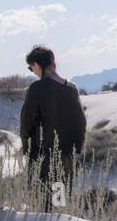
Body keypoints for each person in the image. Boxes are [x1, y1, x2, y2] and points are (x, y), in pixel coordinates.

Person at [19, 45, 86, 211]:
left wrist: (27, 151)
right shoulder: (72, 89)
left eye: (31, 67)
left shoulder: (36, 89)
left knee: (41, 207)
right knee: (59, 208)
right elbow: (81, 124)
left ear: (37, 64)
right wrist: (74, 153)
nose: (32, 71)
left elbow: (26, 124)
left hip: (41, 159)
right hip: (66, 160)